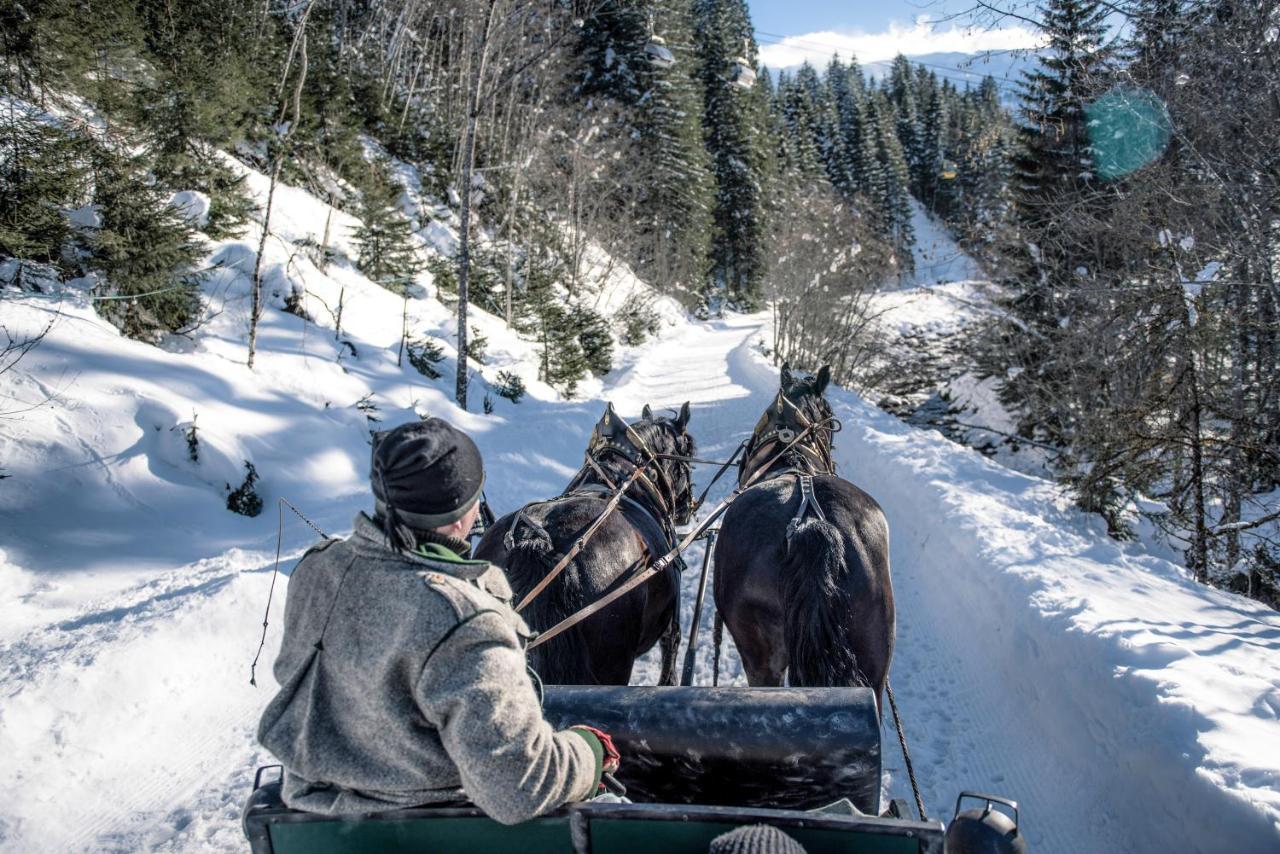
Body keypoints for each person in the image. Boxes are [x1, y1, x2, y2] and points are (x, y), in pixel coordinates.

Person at [257, 418, 619, 824]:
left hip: (310, 823)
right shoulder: (466, 619)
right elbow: (521, 788)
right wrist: (588, 752)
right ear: (464, 515)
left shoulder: (316, 571)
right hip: (428, 829)